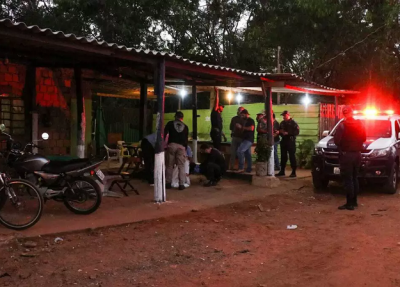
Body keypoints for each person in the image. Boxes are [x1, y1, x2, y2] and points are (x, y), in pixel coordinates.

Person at [333, 106, 366, 210]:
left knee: (348, 179)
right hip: (357, 154)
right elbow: (364, 138)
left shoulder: (342, 125)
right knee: (355, 178)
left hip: (347, 155)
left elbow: (336, 141)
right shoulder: (360, 124)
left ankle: (349, 203)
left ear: (344, 114)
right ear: (352, 113)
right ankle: (354, 201)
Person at [164, 111, 189, 190]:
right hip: (181, 147)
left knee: (169, 165)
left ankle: (168, 183)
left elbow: (164, 133)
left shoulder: (170, 123)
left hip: (172, 145)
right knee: (181, 166)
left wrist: (164, 145)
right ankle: (181, 185)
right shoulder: (185, 126)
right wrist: (184, 148)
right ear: (182, 118)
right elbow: (186, 140)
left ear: (175, 117)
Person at [277, 110, 299, 177]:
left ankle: (293, 172)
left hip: (291, 141)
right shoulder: (282, 123)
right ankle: (282, 171)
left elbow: (297, 132)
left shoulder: (293, 123)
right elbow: (280, 131)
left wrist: (288, 133)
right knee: (283, 156)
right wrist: (281, 132)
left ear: (288, 115)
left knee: (292, 156)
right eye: (283, 115)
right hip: (284, 140)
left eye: (284, 115)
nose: (283, 117)